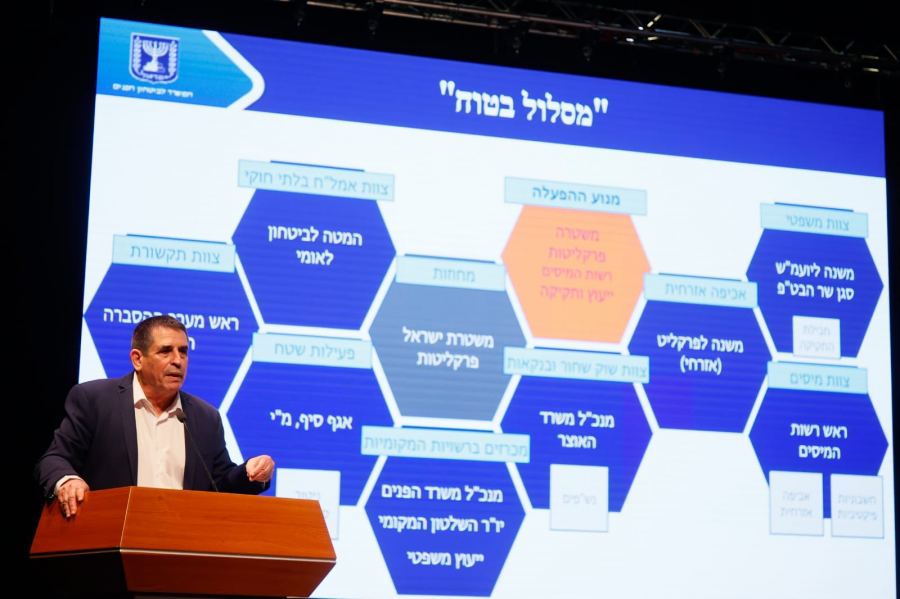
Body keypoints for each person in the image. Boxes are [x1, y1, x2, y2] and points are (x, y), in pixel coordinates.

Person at [36, 315, 275, 518]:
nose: (177, 361)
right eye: (165, 351)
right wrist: (68, 480)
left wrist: (251, 473)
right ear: (137, 359)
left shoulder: (205, 417)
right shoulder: (95, 400)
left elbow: (220, 486)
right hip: (110, 538)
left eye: (183, 352)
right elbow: (54, 459)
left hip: (178, 545)